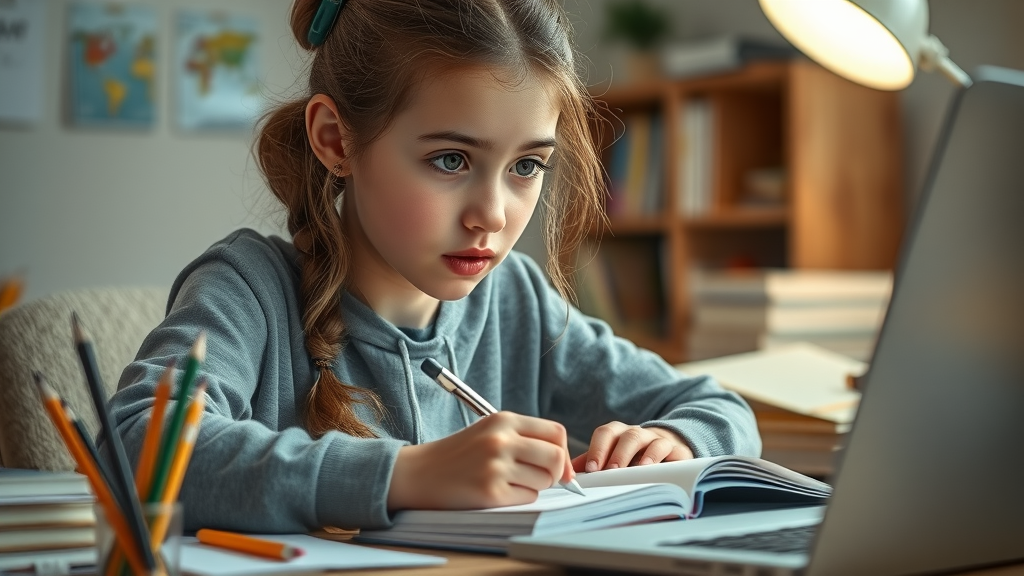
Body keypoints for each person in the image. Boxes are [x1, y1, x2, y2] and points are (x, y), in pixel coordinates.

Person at [110, 0, 760, 533]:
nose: (493, 215)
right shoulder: (249, 287)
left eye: (526, 167)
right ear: (336, 140)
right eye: (451, 159)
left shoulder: (516, 301)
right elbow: (142, 445)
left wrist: (675, 442)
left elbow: (717, 408)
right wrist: (405, 474)